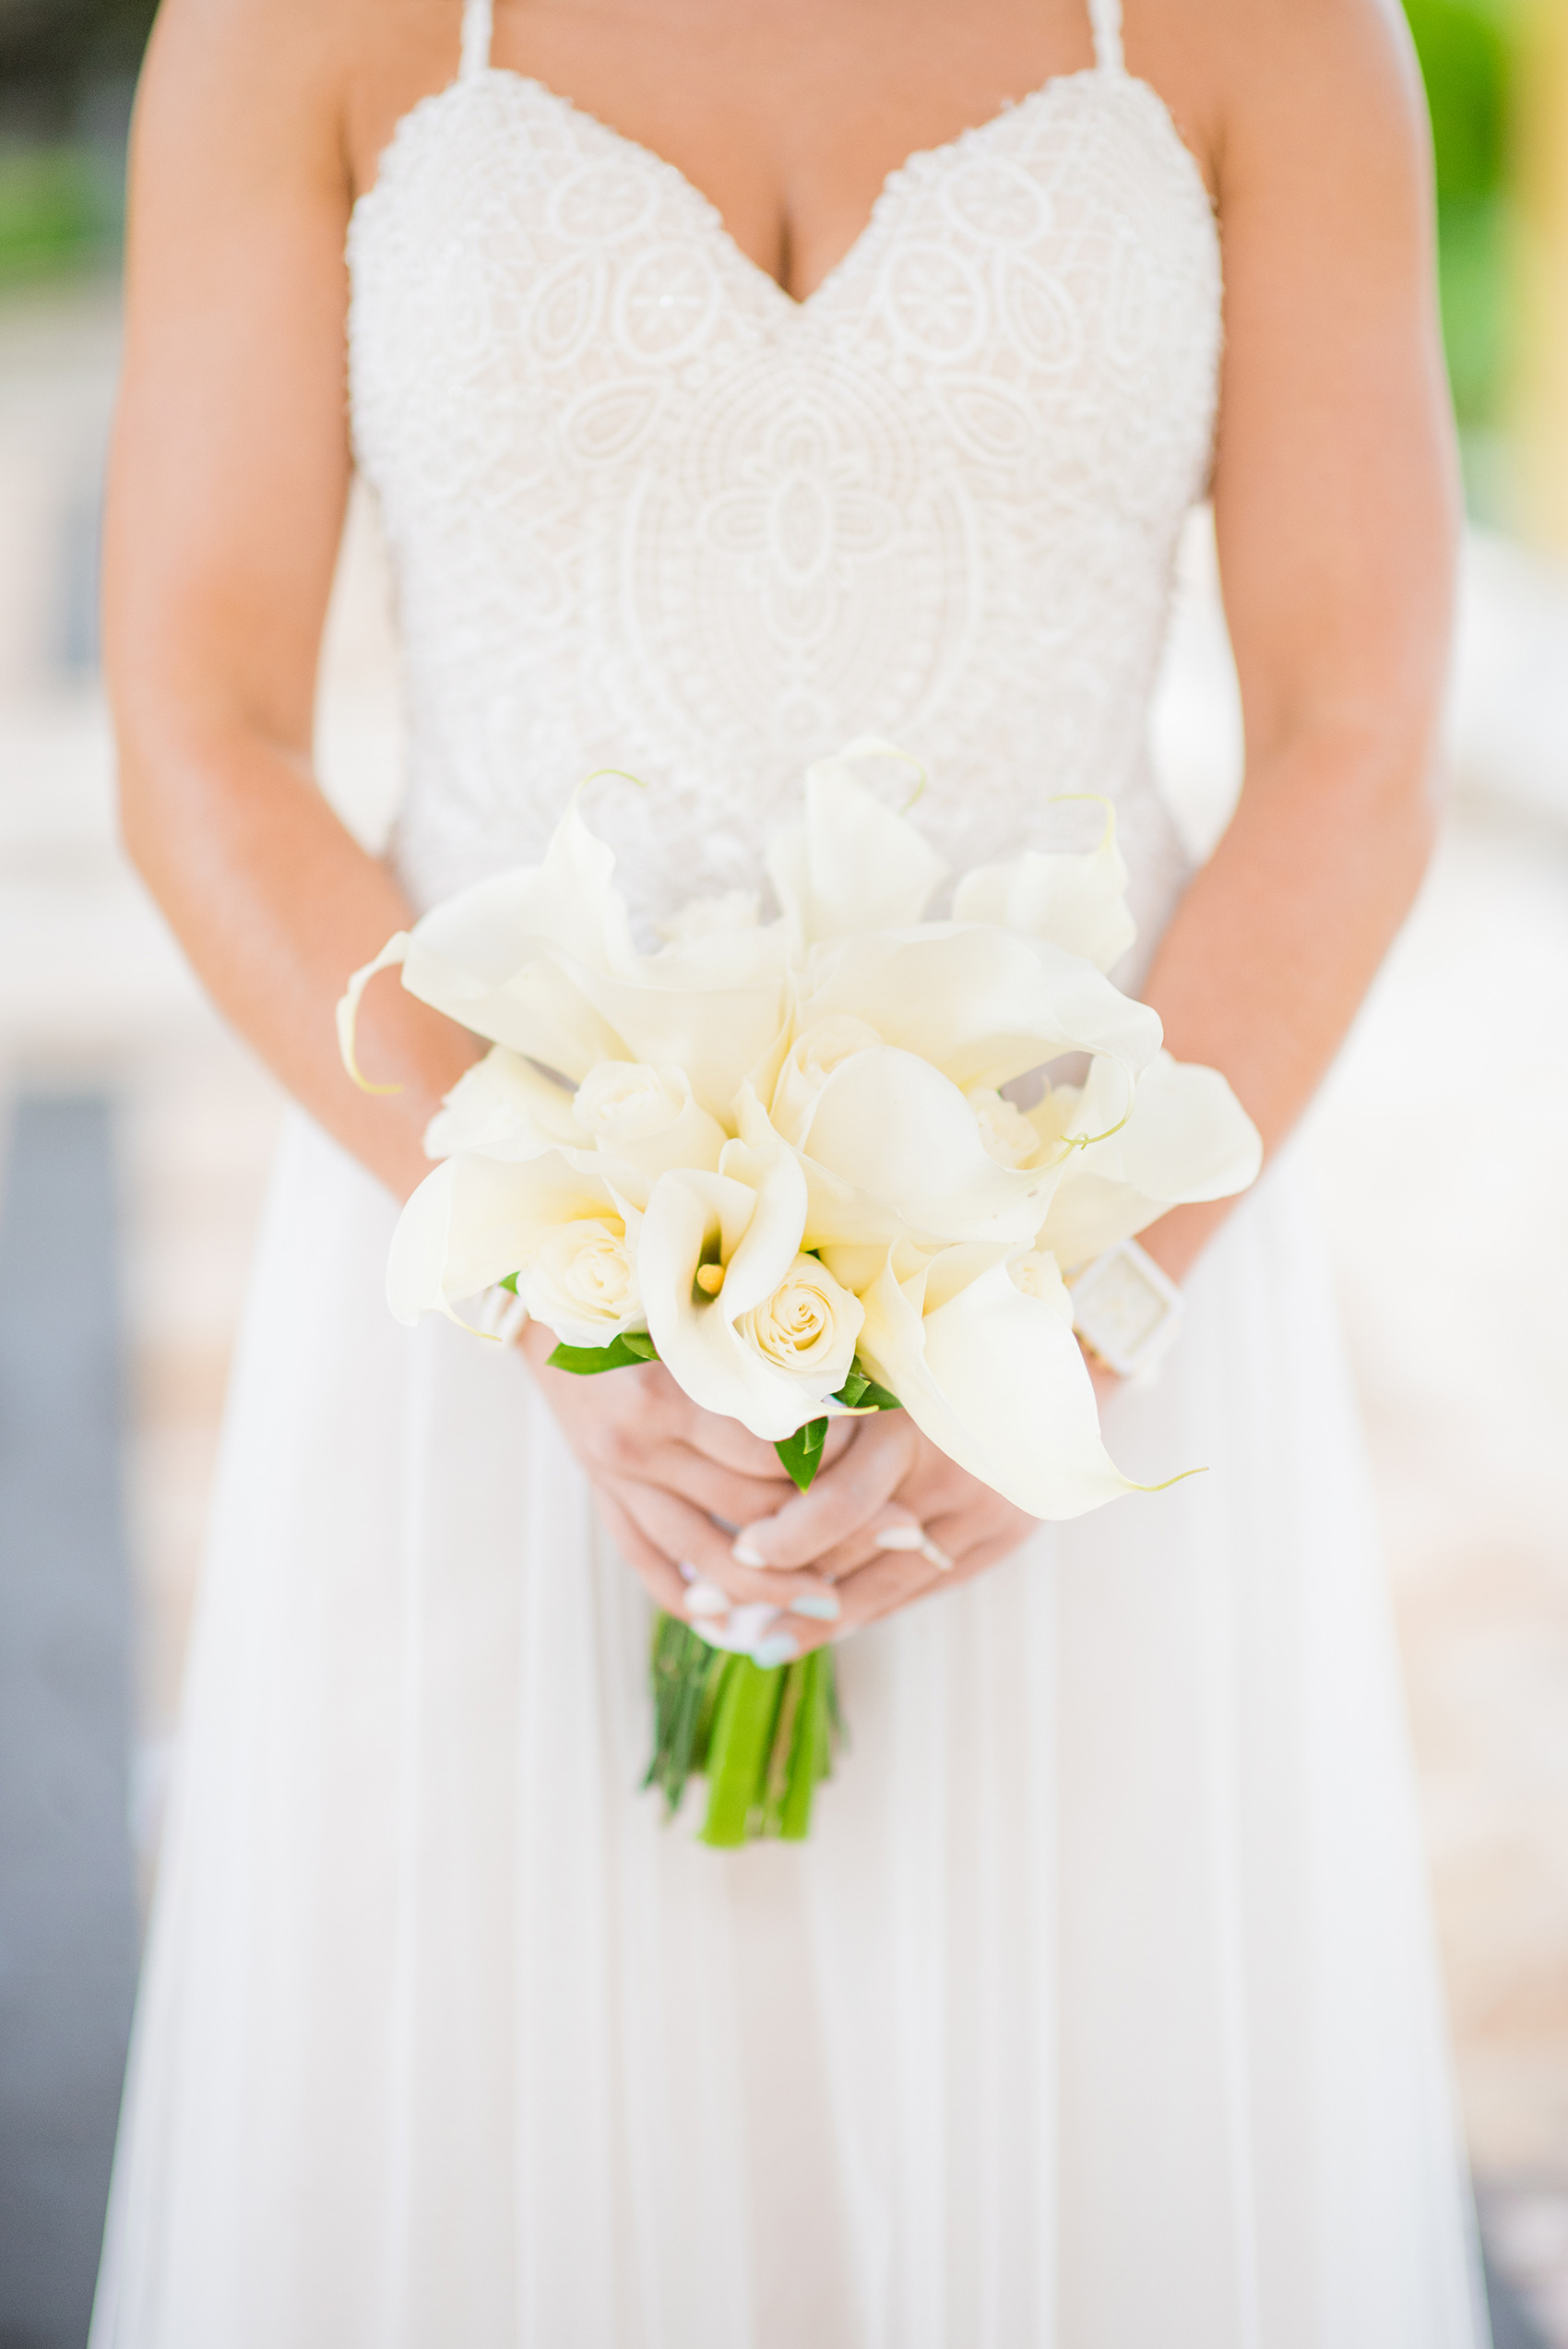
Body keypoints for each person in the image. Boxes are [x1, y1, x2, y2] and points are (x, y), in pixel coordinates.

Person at [91, 0, 1491, 2340]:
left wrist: (1085, 1300)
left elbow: (1356, 724)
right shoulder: (288, 29)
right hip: (505, 1329)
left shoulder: (1277, 32)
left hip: (1084, 1321)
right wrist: (565, 1264)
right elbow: (197, 723)